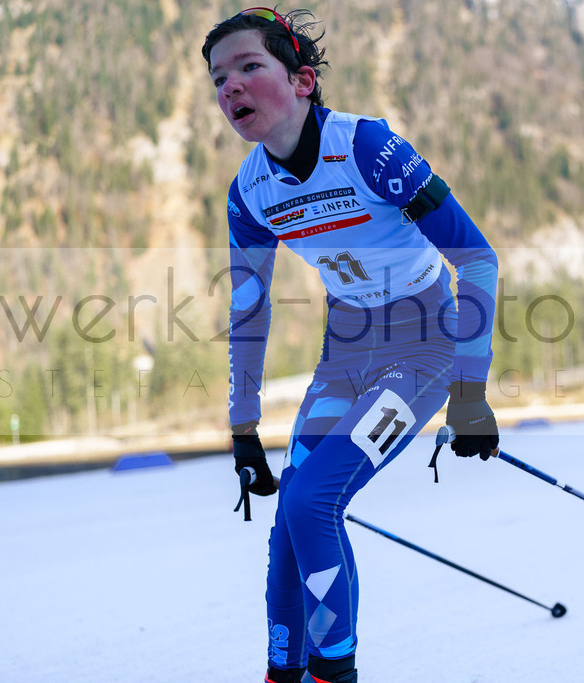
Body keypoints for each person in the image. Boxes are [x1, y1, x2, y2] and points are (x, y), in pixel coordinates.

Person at [202, 8, 499, 682]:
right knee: (288, 528)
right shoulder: (250, 193)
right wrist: (243, 426)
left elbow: (478, 262)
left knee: (312, 503)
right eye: (219, 79)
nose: (230, 88)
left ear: (303, 80)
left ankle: (336, 674)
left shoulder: (368, 147)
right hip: (345, 354)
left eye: (250, 67)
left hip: (426, 347)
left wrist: (471, 397)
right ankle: (284, 672)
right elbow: (249, 305)